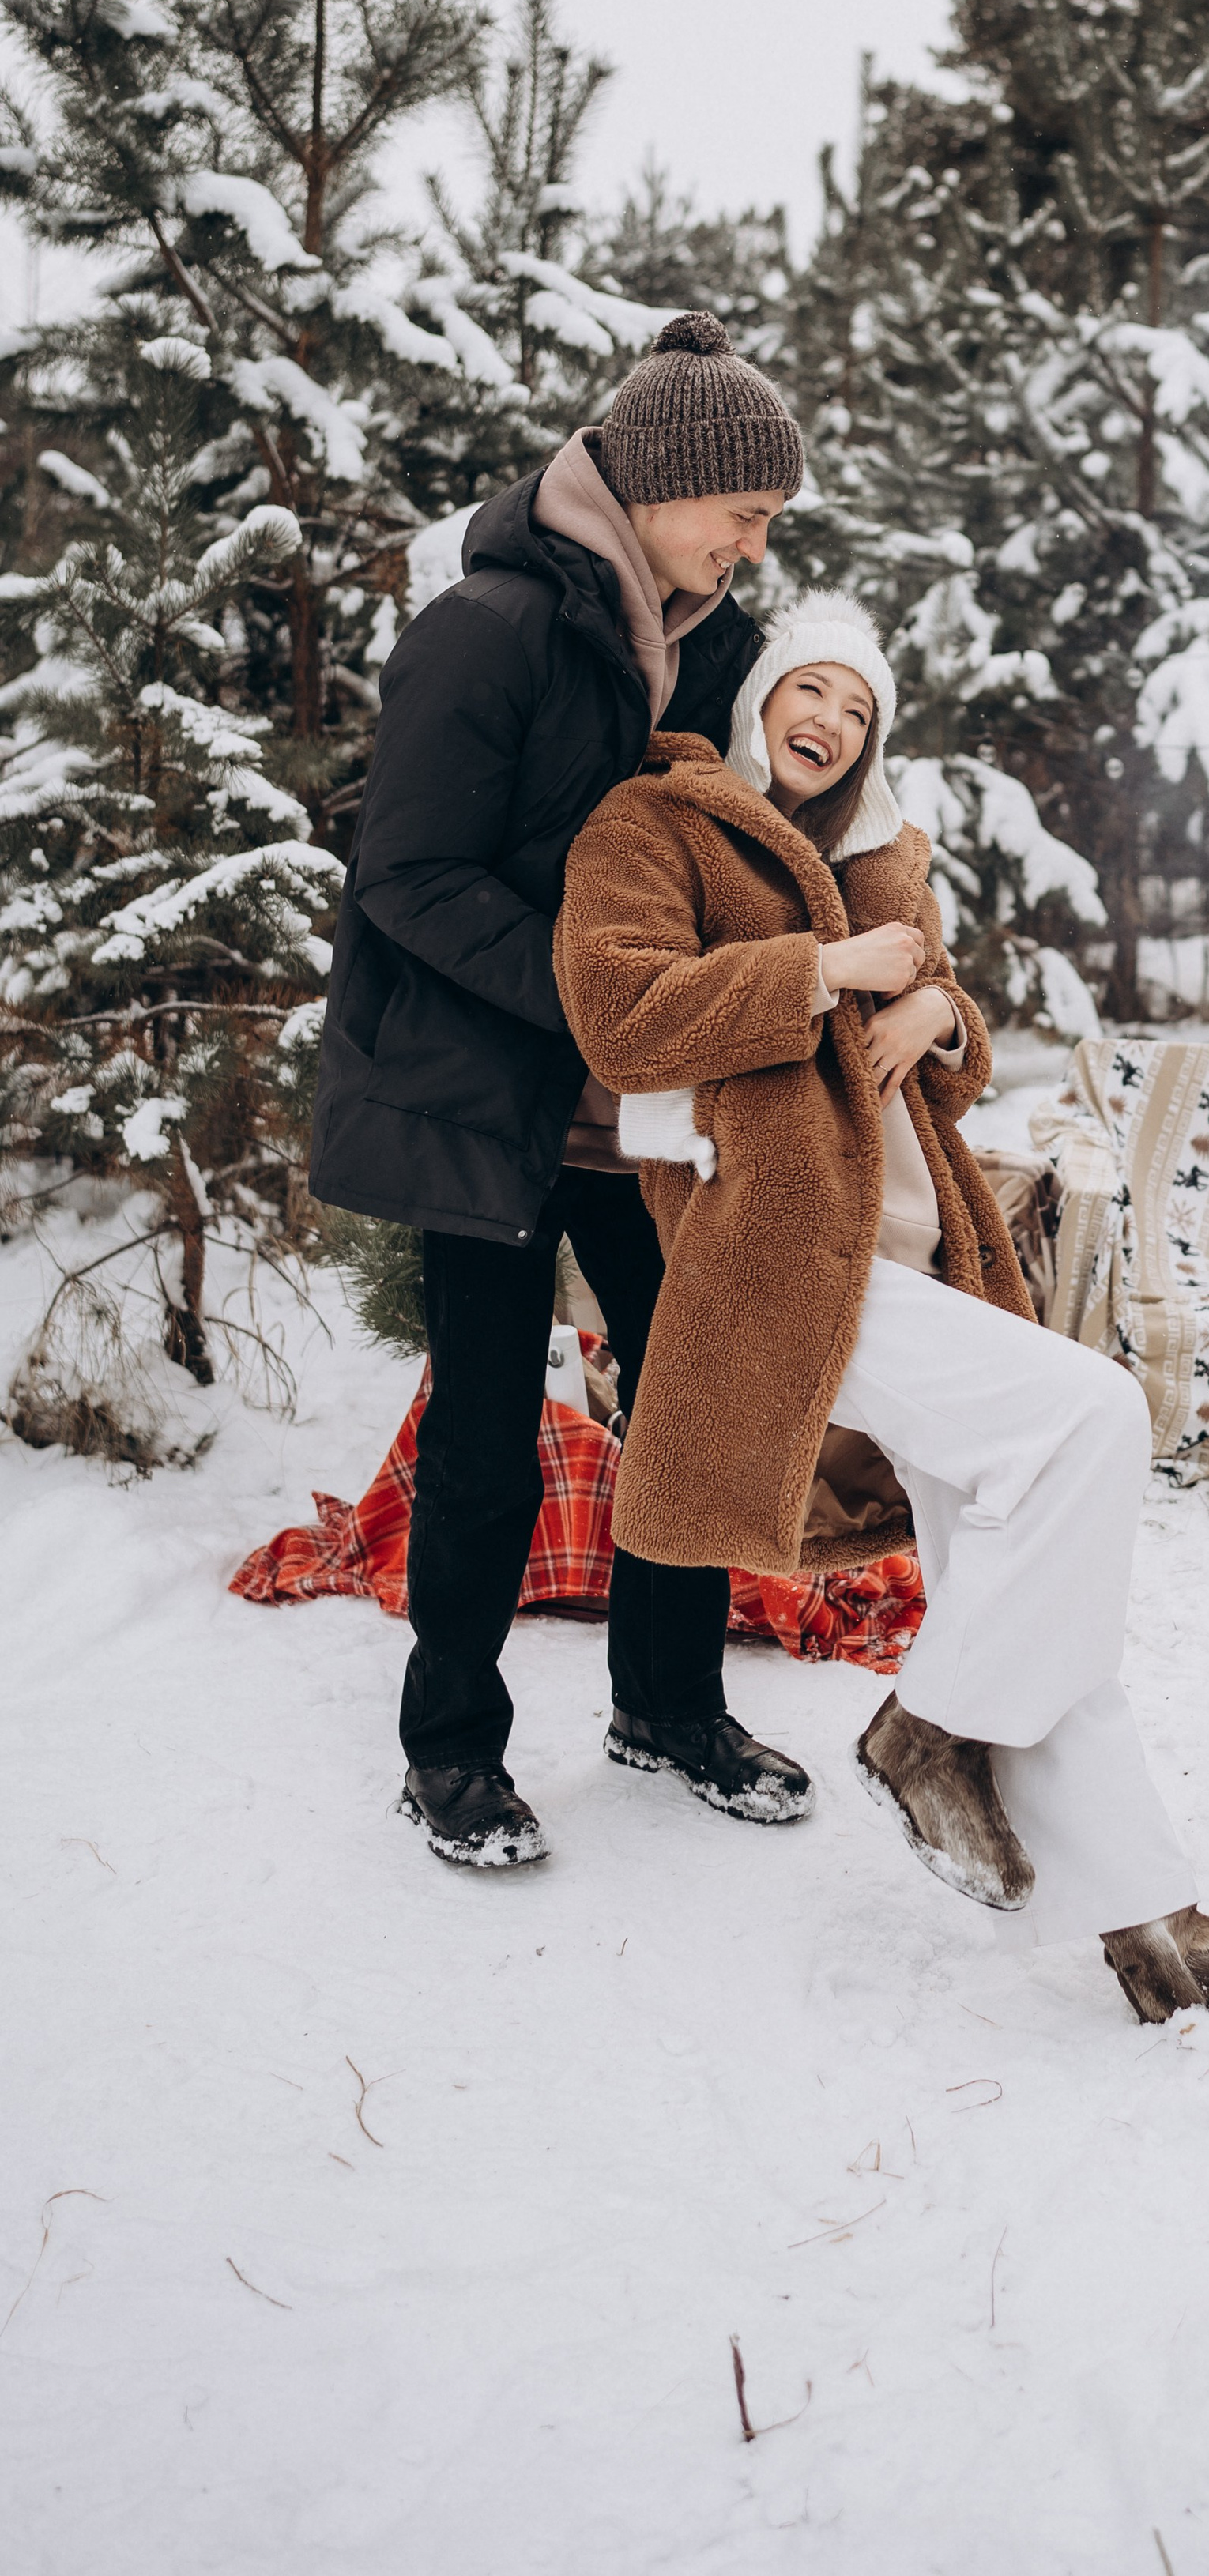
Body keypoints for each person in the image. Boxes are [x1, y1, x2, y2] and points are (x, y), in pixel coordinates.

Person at [553, 593, 1209, 2023]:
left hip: (925, 1251)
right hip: (783, 1264)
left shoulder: (877, 862)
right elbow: (618, 1020)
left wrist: (946, 1018)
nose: (834, 723)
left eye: (861, 712)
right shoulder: (655, 825)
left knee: (1032, 1586)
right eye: (813, 691)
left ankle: (1153, 1936)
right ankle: (929, 1733)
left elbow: (929, 1063)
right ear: (757, 702)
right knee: (1095, 1418)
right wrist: (829, 973)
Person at [309, 313, 815, 1868]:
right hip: (489, 1088)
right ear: (656, 482)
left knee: (685, 1400)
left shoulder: (702, 633)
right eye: (738, 510)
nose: (752, 541)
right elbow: (405, 873)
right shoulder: (493, 626)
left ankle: (664, 1706)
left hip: (641, 1107)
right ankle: (451, 1748)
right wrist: (595, 997)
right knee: (482, 1429)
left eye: (767, 522)